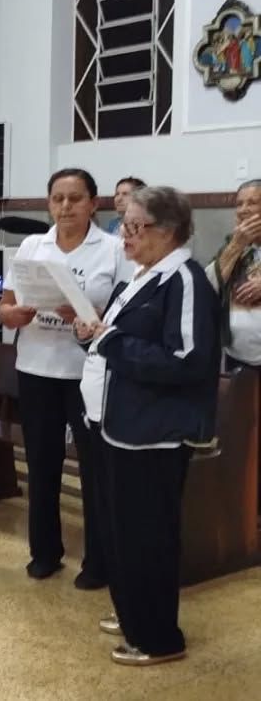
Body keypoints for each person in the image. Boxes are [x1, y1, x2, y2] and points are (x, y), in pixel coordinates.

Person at [76, 186, 219, 666]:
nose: (125, 236)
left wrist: (111, 341)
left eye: (135, 227)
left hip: (153, 433)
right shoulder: (141, 277)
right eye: (124, 226)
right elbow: (112, 339)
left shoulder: (185, 280)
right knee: (123, 532)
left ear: (169, 230)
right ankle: (132, 611)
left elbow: (188, 360)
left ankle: (158, 637)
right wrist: (90, 335)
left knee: (149, 536)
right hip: (116, 425)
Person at [0, 168, 132, 587]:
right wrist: (12, 315)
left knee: (94, 468)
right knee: (41, 464)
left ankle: (99, 561)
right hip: (37, 368)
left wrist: (87, 314)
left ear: (93, 203)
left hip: (86, 373)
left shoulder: (112, 249)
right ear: (48, 203)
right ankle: (44, 552)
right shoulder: (32, 245)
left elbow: (127, 312)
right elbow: (5, 305)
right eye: (58, 199)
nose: (66, 207)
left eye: (75, 198)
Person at [208, 179, 261, 370]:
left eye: (252, 203)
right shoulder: (233, 245)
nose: (243, 210)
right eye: (239, 204)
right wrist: (237, 244)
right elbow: (208, 287)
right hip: (236, 356)